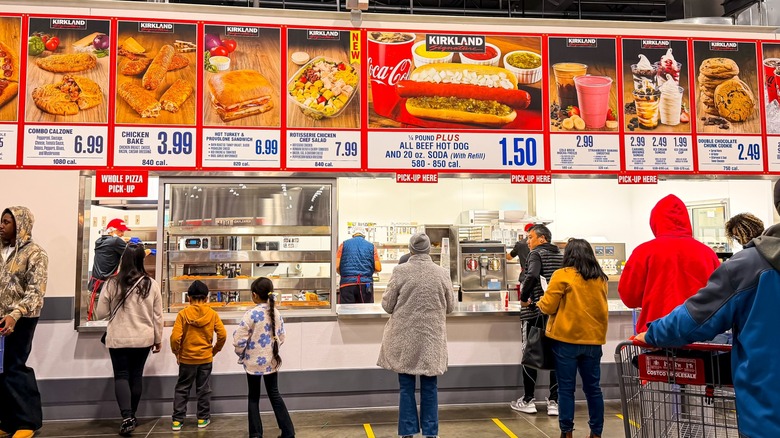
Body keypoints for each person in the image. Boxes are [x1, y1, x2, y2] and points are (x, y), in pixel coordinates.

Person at [377, 233, 455, 438]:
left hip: (404, 338)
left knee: (406, 386)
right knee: (430, 386)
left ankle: (407, 431)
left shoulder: (400, 271)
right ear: (429, 249)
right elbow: (451, 307)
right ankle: (431, 432)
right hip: (432, 338)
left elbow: (387, 305)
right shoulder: (442, 273)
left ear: (411, 250)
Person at [538, 238, 609, 438]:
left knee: (566, 389)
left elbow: (549, 306)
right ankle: (596, 433)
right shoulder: (600, 278)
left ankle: (566, 432)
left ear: (568, 255)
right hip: (594, 341)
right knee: (593, 389)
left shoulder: (562, 275)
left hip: (566, 341)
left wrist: (539, 304)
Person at [618, 194, 720, 333]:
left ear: (655, 221)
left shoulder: (643, 252)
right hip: (699, 334)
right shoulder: (707, 253)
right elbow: (720, 295)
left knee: (656, 356)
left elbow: (630, 298)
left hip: (656, 333)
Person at [95, 243, 163, 436]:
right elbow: (157, 316)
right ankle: (132, 415)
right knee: (136, 376)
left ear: (123, 259)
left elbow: (101, 313)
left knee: (121, 375)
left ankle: (126, 417)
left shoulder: (111, 283)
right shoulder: (151, 284)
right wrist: (158, 339)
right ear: (142, 259)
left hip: (118, 338)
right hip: (143, 338)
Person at [0, 207, 48, 438]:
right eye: (1, 221)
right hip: (0, 317)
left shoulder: (35, 253)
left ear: (20, 226)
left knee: (14, 366)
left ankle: (27, 422)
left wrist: (14, 314)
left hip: (22, 319)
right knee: (1, 371)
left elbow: (36, 291)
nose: (2, 225)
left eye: (7, 222)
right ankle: (8, 422)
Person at [233, 277, 295, 438]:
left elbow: (238, 340)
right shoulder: (276, 312)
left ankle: (256, 434)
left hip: (252, 363)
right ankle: (288, 433)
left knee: (253, 397)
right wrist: (272, 351)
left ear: (254, 295)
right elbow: (281, 337)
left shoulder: (250, 314)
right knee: (274, 394)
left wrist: (242, 354)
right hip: (271, 361)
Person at [512, 223, 563, 416]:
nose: (528, 241)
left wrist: (524, 299)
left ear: (542, 239)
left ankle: (527, 399)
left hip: (534, 313)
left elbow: (531, 275)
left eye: (531, 237)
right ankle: (554, 401)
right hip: (556, 314)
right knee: (555, 355)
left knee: (530, 354)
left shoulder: (536, 254)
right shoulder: (561, 255)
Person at [170, 280, 226, 431]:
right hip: (205, 358)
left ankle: (177, 421)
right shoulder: (212, 314)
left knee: (182, 388)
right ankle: (202, 418)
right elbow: (222, 335)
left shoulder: (182, 314)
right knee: (203, 389)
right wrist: (214, 351)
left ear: (189, 298)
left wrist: (177, 352)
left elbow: (175, 338)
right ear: (207, 298)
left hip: (187, 359)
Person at [88, 218, 131, 320]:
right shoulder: (116, 241)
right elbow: (133, 255)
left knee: (96, 323)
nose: (122, 233)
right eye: (120, 230)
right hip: (106, 292)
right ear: (111, 230)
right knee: (107, 324)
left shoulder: (99, 241)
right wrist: (148, 251)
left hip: (94, 289)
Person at [336, 227, 381, 303]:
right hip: (365, 285)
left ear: (353, 234)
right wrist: (367, 272)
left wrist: (346, 275)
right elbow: (378, 268)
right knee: (365, 312)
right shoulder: (371, 246)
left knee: (346, 312)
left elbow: (337, 266)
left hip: (347, 284)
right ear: (364, 235)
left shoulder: (343, 245)